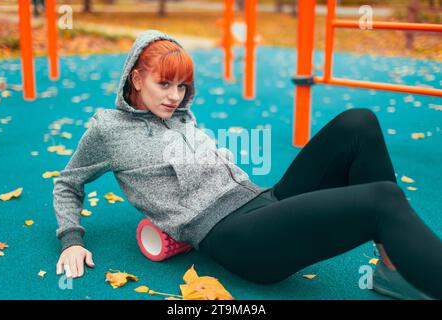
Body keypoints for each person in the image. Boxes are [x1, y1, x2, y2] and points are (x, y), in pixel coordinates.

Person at [53, 30, 442, 300]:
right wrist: (71, 239)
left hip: (261, 201)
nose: (175, 97)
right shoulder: (107, 131)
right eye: (164, 84)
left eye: (182, 86)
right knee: (382, 199)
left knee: (358, 122)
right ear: (136, 78)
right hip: (236, 238)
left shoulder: (176, 113)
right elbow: (67, 183)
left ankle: (392, 269)